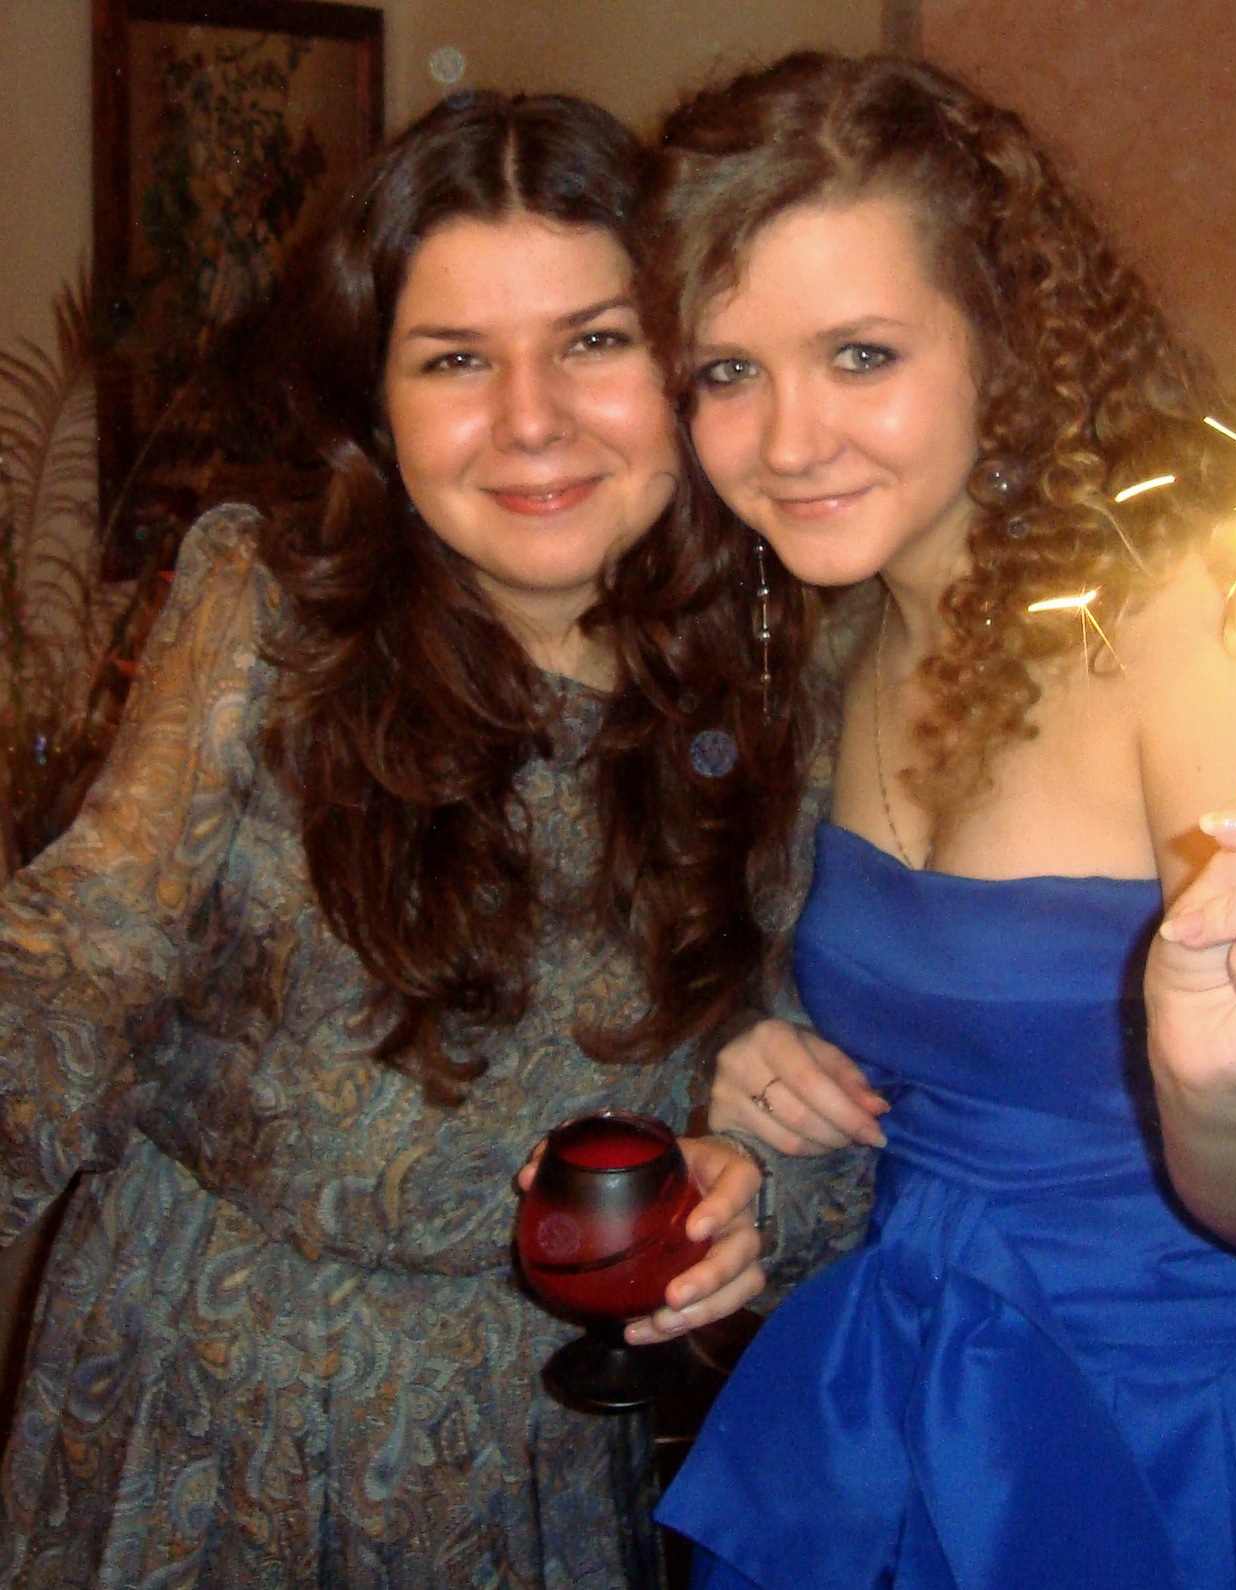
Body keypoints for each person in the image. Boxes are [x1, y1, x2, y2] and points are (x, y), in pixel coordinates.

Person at [641, 52, 1236, 1589]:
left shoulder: (1210, 614)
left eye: (861, 355)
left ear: (1001, 334)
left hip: (1150, 1434)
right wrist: (745, 1048)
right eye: (728, 371)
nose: (789, 440)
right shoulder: (820, 634)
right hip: (886, 1391)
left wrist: (1220, 1096)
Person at [0, 90, 810, 1588]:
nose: (530, 419)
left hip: (540, 1442)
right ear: (378, 404)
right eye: (455, 359)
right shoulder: (267, 608)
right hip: (206, 1402)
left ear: (690, 362)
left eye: (593, 340)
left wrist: (757, 1186)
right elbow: (81, 946)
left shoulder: (781, 670)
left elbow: (822, 1081)